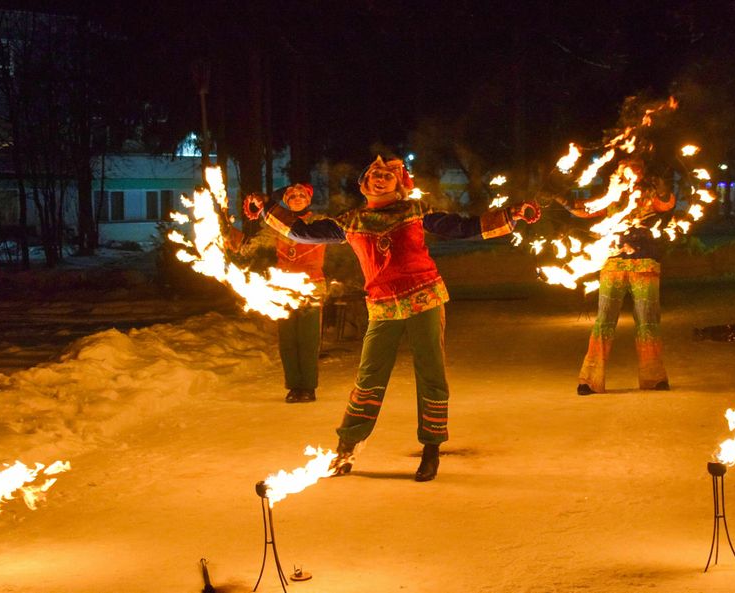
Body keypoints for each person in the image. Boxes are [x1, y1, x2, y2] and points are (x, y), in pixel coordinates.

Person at [245, 155, 540, 481]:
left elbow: (463, 227)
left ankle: (431, 450)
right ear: (363, 184)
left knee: (431, 375)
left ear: (398, 184)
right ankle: (346, 448)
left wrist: (511, 215)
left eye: (386, 173)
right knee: (369, 377)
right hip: (383, 305)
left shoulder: (416, 211)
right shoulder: (351, 220)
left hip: (424, 297)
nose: (379, 176)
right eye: (373, 172)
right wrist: (267, 207)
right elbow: (302, 231)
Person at [557, 160, 675, 396]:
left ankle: (654, 377)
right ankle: (589, 380)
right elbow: (584, 209)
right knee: (604, 322)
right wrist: (562, 198)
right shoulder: (610, 197)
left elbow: (666, 204)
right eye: (626, 168)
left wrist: (663, 190)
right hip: (612, 264)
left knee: (648, 322)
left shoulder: (648, 195)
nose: (632, 171)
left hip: (645, 265)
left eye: (637, 167)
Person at [228, 184, 327, 403]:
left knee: (308, 340)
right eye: (292, 196)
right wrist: (229, 236)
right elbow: (251, 247)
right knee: (288, 340)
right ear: (286, 200)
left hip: (312, 288)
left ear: (309, 200)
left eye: (302, 195)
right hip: (284, 290)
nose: (298, 198)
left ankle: (308, 387)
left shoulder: (319, 221)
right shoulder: (275, 225)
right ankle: (293, 387)